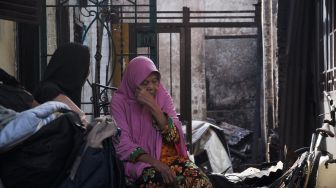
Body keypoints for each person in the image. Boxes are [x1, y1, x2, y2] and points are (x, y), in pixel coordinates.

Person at [111, 56, 213, 187]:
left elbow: (175, 137)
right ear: (133, 82)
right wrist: (157, 164)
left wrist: (153, 107)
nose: (151, 87)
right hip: (139, 162)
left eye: (154, 81)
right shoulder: (119, 102)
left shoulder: (162, 96)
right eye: (144, 83)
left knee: (199, 180)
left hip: (168, 159)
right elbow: (123, 144)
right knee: (156, 180)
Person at [34, 43, 90, 126]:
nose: (88, 72)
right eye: (85, 65)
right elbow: (80, 118)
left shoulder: (54, 89)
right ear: (73, 67)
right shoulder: (48, 90)